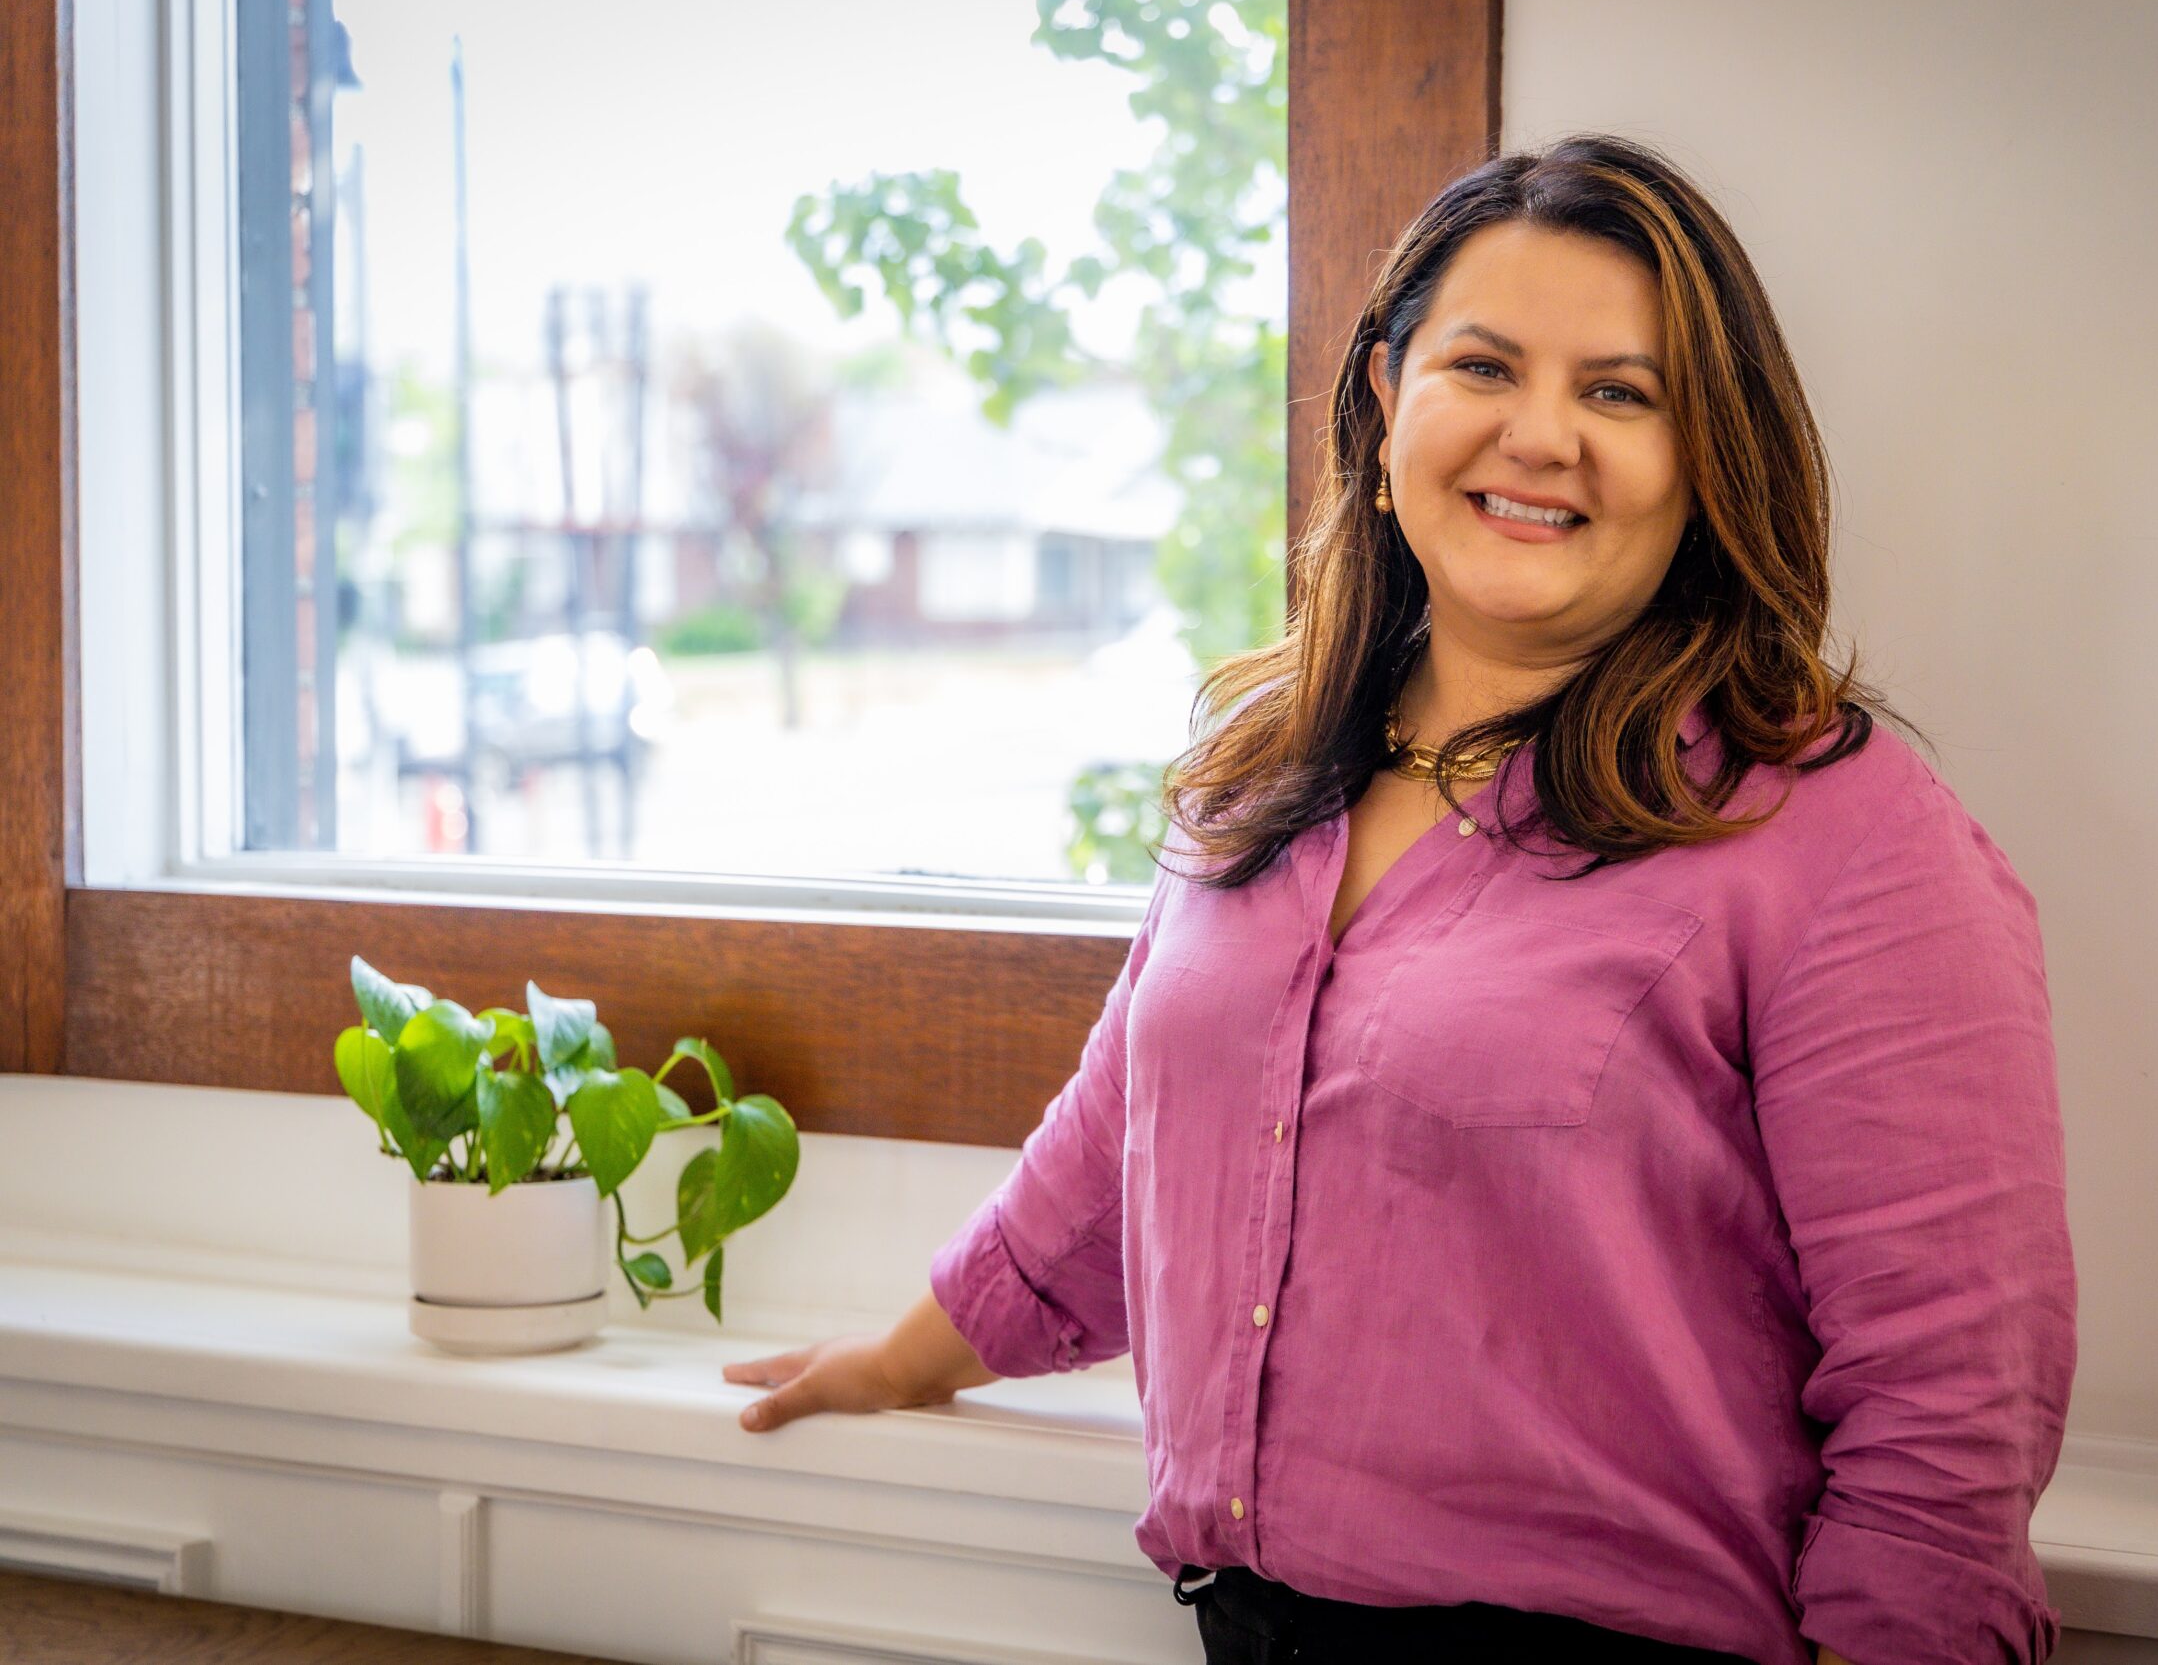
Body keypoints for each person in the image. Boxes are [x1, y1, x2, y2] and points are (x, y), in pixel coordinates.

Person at [723, 133, 2077, 1665]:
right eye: (1484, 366)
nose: (1541, 436)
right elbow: (1126, 1146)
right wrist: (902, 1358)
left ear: (1707, 461)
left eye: (1620, 393)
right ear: (1386, 398)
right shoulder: (1259, 779)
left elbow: (1951, 1394)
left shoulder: (1840, 832)